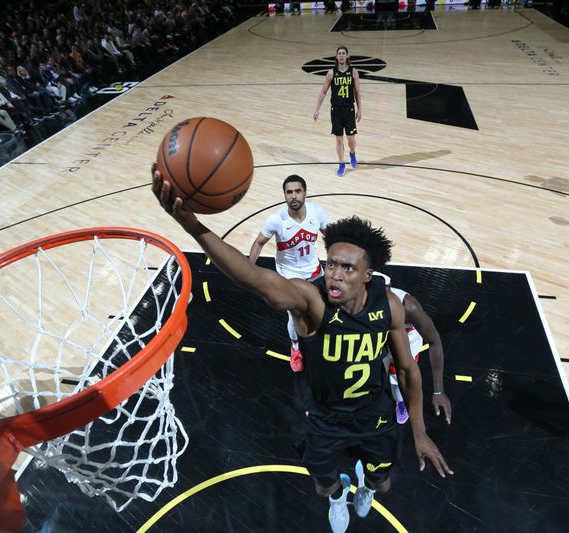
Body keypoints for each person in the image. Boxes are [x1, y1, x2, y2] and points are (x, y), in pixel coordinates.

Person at [152, 168, 452, 533]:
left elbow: (406, 370)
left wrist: (419, 432)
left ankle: (365, 487)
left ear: (368, 275)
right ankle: (339, 496)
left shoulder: (388, 305)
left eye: (347, 268)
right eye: (330, 265)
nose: (334, 275)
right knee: (324, 485)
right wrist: (192, 226)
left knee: (382, 484)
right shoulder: (311, 301)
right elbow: (251, 277)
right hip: (324, 418)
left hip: (373, 416)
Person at [248, 175, 328, 371]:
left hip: (314, 270)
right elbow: (259, 243)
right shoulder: (276, 220)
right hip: (289, 275)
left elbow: (332, 237)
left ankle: (321, 343)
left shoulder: (317, 213)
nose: (294, 196)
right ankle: (295, 348)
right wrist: (248, 271)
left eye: (297, 191)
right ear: (284, 195)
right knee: (295, 315)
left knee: (322, 310)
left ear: (305, 193)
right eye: (289, 192)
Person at [373, 273, 451, 425]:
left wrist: (439, 391)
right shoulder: (361, 299)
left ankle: (401, 403)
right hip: (378, 342)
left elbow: (435, 342)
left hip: (405, 345)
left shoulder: (409, 306)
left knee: (398, 386)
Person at [313, 45, 362, 177]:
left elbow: (357, 92)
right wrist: (317, 109)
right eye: (339, 53)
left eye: (343, 53)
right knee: (339, 140)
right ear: (336, 56)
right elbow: (323, 92)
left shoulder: (353, 72)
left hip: (349, 109)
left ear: (347, 56)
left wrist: (360, 109)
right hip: (336, 111)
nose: (341, 55)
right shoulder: (331, 73)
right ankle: (341, 164)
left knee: (351, 138)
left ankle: (352, 153)